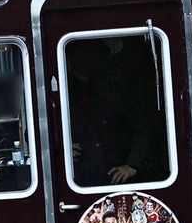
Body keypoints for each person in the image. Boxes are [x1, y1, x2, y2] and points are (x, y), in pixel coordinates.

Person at [66, 38, 163, 186]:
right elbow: (38, 132)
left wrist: (133, 165)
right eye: (83, 52)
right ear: (72, 56)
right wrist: (62, 147)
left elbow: (143, 127)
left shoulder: (118, 88)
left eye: (92, 52)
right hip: (77, 180)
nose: (88, 57)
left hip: (117, 178)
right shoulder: (57, 90)